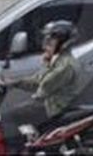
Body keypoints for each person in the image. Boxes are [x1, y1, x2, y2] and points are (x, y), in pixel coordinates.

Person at [5, 21, 81, 150]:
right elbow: (37, 80)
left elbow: (44, 86)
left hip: (53, 107)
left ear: (62, 43)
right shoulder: (58, 59)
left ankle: (16, 150)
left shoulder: (64, 65)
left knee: (10, 116)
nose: (46, 44)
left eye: (51, 41)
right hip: (49, 103)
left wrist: (33, 97)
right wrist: (13, 82)